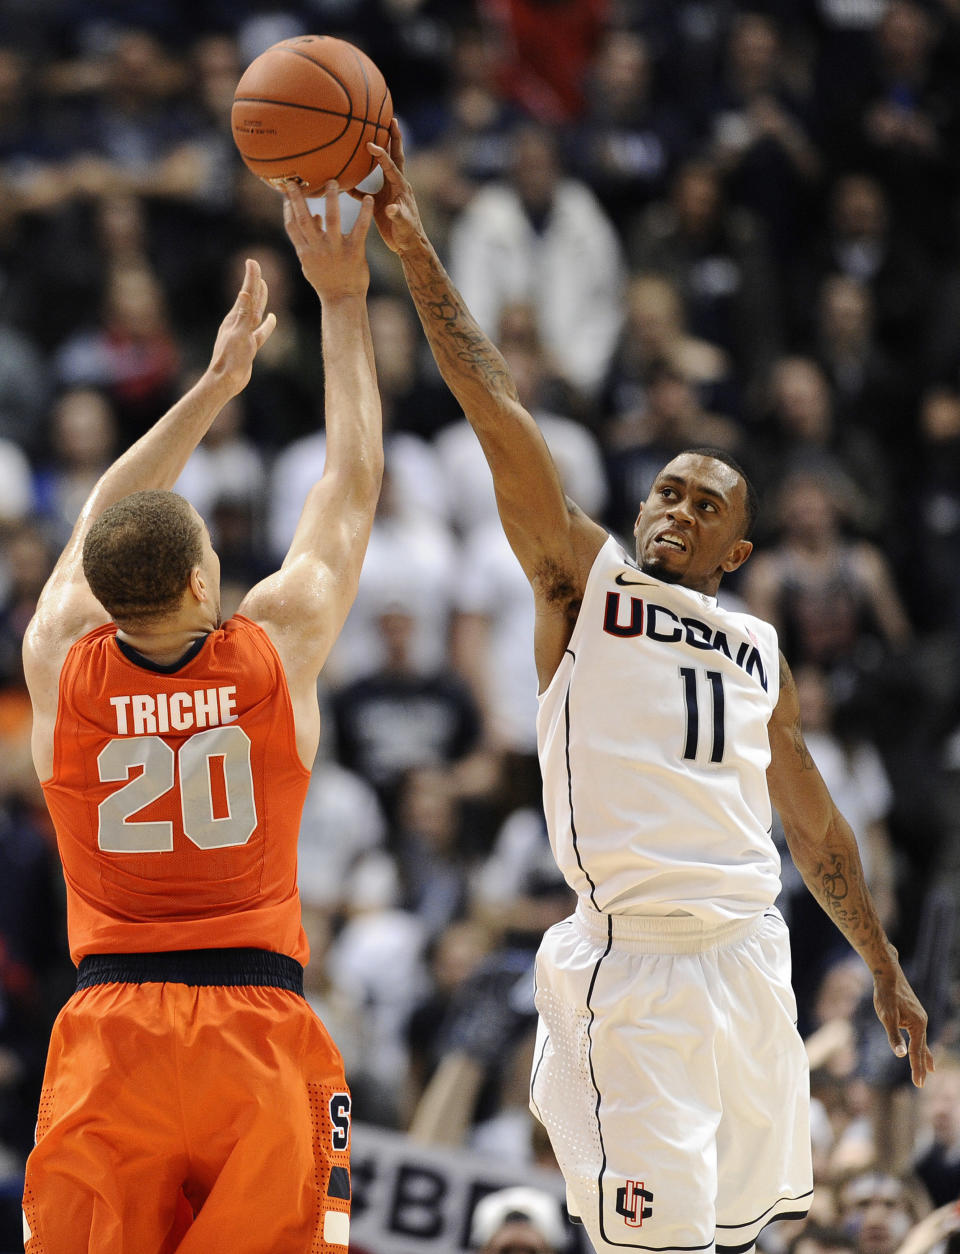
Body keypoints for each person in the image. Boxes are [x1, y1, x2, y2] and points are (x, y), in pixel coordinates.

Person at [357, 121, 934, 1254]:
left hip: (753, 956)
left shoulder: (763, 648)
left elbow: (811, 820)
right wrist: (416, 249)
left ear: (738, 558)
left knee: (742, 1235)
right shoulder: (586, 580)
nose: (676, 505)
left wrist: (884, 965)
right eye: (667, 489)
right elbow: (497, 412)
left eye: (707, 503)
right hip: (634, 963)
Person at [20, 182, 383, 1253]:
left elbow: (98, 533)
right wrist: (345, 299)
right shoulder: (275, 647)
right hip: (255, 1037)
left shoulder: (61, 665)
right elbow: (351, 486)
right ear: (194, 586)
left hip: (110, 1037)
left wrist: (212, 387)